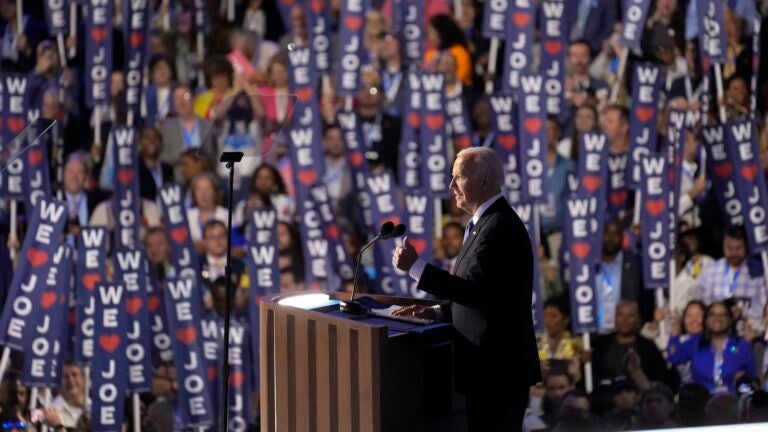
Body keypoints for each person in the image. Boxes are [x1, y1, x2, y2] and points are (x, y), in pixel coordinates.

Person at [392, 147, 541, 430]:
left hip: (499, 372)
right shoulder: (483, 224)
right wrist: (434, 312)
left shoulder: (499, 227)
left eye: (457, 177)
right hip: (489, 371)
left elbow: (475, 293)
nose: (451, 186)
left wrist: (416, 267)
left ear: (484, 181)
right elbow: (484, 296)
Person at [667, 301, 756, 393]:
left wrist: (742, 381)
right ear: (705, 320)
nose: (717, 318)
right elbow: (674, 357)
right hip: (702, 401)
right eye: (712, 315)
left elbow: (752, 378)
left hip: (732, 401)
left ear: (730, 320)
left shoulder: (741, 345)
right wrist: (674, 335)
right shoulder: (695, 342)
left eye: (723, 315)